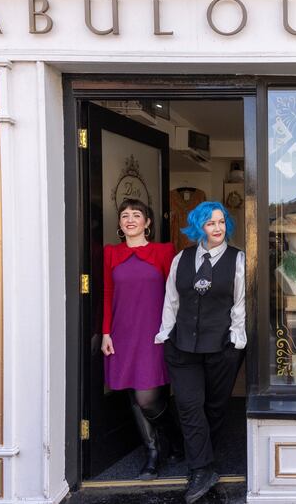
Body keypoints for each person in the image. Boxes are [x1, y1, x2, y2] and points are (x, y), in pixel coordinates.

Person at [155, 201, 246, 504]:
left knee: (215, 407)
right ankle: (202, 469)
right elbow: (172, 300)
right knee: (189, 406)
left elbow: (240, 304)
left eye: (221, 222)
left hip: (221, 345)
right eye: (210, 223)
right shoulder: (181, 259)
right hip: (182, 346)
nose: (217, 228)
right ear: (199, 227)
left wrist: (236, 341)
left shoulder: (238, 259)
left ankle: (206, 460)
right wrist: (165, 334)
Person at [101, 198, 182, 479]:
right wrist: (106, 333)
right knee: (134, 394)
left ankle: (172, 435)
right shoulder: (111, 253)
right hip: (122, 334)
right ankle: (153, 452)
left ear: (148, 223)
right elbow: (108, 294)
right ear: (120, 224)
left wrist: (173, 330)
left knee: (147, 397)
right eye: (125, 215)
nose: (130, 219)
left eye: (137, 215)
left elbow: (175, 295)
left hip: (154, 333)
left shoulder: (164, 252)